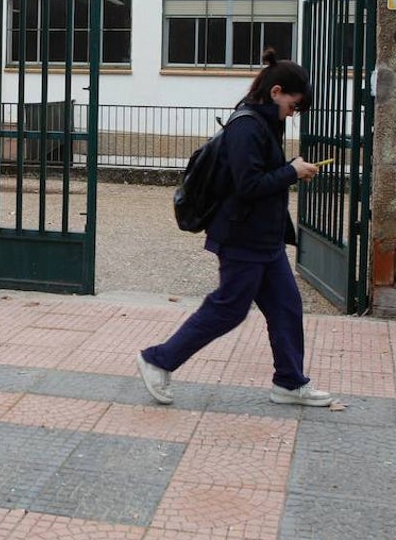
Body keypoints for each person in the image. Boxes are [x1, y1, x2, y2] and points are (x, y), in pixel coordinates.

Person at [136, 49, 333, 407]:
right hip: (243, 236)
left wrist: (290, 168)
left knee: (287, 306)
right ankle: (158, 359)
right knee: (228, 308)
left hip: (264, 237)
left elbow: (259, 175)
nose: (295, 112)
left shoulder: (266, 122)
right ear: (276, 92)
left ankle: (289, 382)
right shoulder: (247, 125)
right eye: (294, 104)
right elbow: (248, 185)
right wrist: (291, 171)